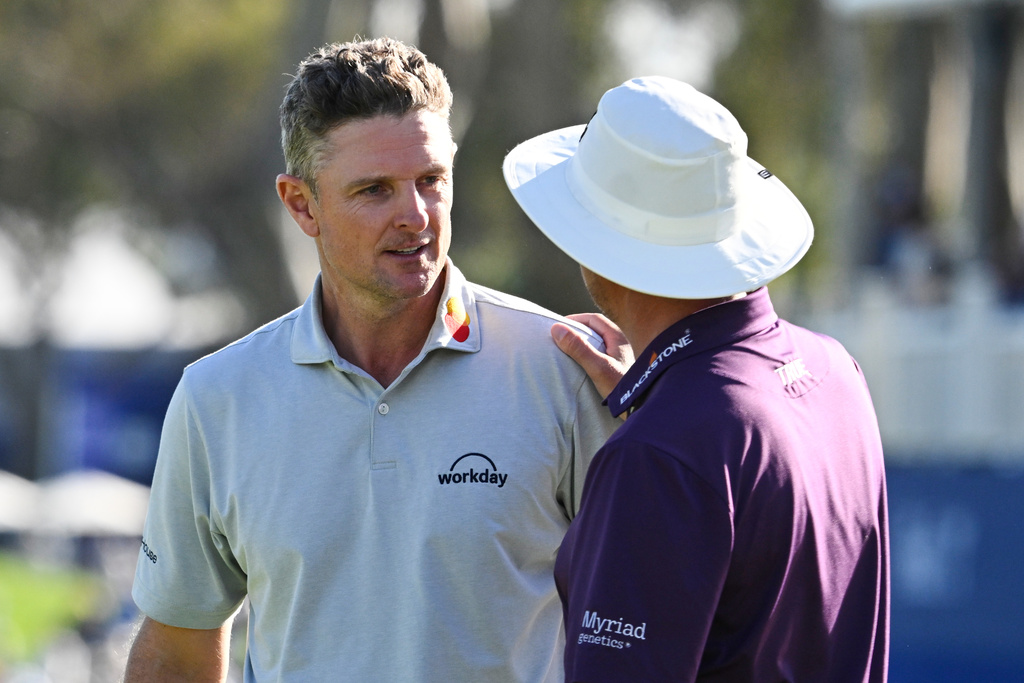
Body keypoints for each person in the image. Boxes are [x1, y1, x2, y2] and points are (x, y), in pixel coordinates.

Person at [124, 37, 620, 682]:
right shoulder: (216, 398)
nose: (415, 216)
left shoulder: (561, 371)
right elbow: (175, 653)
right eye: (375, 190)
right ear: (301, 204)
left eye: (431, 181)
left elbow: (656, 613)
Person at [503, 76, 890, 681]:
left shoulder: (661, 453)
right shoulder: (834, 369)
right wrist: (663, 406)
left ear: (601, 243)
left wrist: (664, 435)